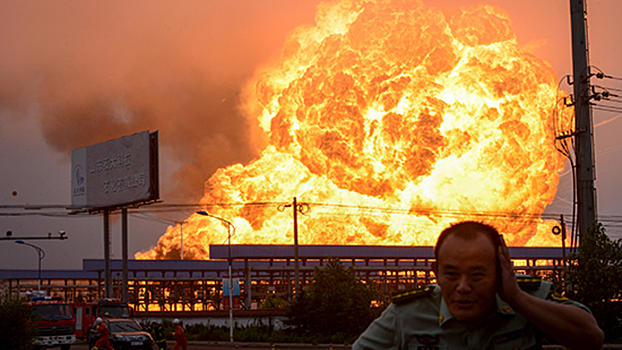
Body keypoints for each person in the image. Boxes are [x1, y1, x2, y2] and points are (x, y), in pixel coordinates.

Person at [353, 221, 604, 350]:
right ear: (436, 273)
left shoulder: (526, 300)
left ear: (500, 272)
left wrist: (517, 299)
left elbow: (591, 339)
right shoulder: (407, 313)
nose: (463, 287)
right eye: (451, 274)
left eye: (477, 275)